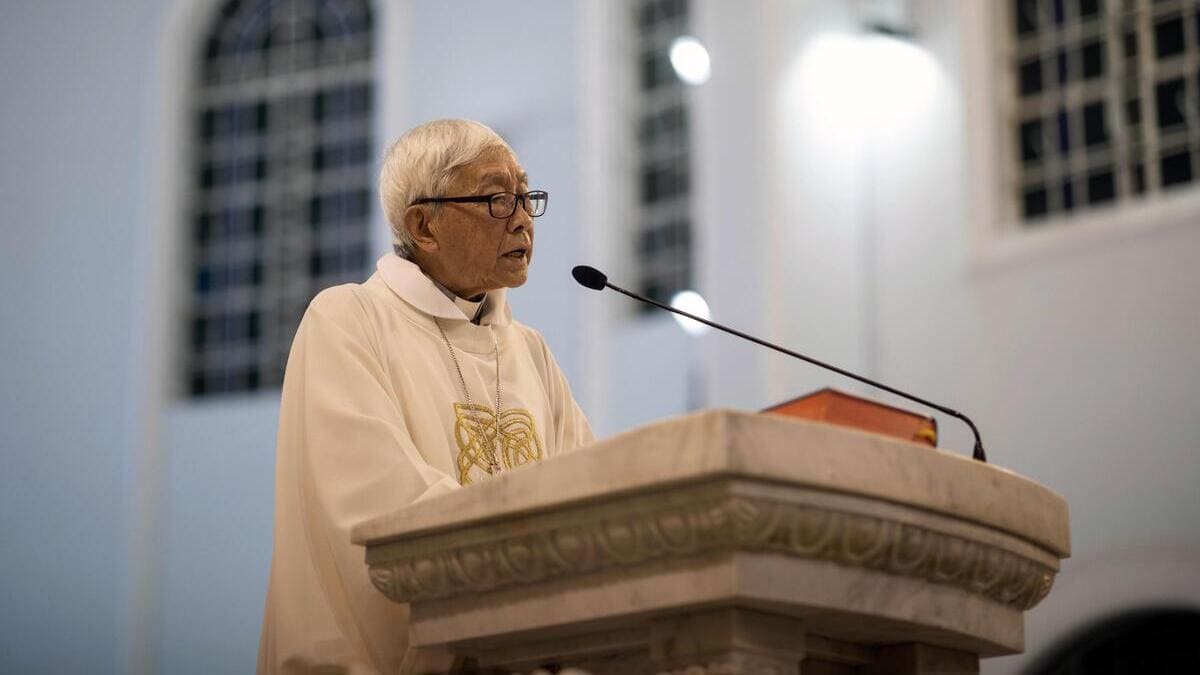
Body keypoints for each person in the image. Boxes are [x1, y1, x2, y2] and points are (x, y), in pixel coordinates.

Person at [257, 119, 596, 674]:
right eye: (495, 199)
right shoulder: (349, 320)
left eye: (526, 196)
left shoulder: (529, 352)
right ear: (424, 225)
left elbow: (592, 493)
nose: (522, 219)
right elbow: (377, 511)